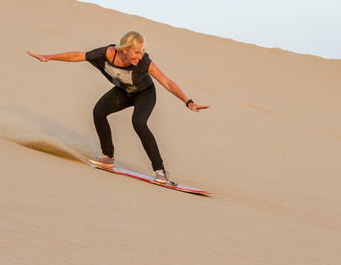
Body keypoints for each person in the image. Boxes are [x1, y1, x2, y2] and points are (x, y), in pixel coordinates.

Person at [27, 31, 209, 183]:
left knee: (138, 122)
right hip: (123, 91)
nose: (141, 56)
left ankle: (160, 171)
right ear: (125, 49)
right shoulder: (107, 53)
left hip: (145, 93)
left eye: (142, 51)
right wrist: (50, 57)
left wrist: (188, 101)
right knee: (99, 111)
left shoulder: (144, 62)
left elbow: (167, 82)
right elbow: (78, 55)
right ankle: (107, 157)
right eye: (137, 52)